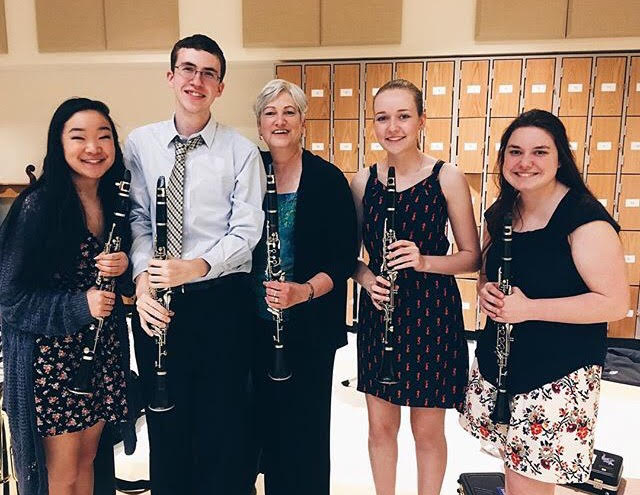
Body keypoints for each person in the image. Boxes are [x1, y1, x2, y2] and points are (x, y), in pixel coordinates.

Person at [459, 109, 629, 495]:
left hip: (556, 373)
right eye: (515, 152)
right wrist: (486, 289)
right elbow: (490, 273)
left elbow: (614, 303)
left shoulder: (585, 219)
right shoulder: (502, 212)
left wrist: (530, 308)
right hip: (501, 365)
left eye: (539, 152)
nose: (525, 162)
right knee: (513, 472)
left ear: (559, 158)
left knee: (528, 485)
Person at [126, 34, 265, 494]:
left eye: (208, 73)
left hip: (220, 301)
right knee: (166, 425)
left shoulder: (240, 150)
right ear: (171, 77)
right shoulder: (140, 143)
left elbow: (247, 232)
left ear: (220, 87)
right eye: (187, 69)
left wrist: (197, 266)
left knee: (221, 426)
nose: (196, 80)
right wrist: (145, 281)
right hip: (157, 302)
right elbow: (138, 219)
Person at [0, 97, 137, 495]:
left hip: (98, 357)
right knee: (60, 475)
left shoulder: (114, 201)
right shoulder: (37, 207)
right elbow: (9, 297)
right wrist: (80, 305)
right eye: (79, 137)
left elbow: (120, 287)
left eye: (103, 137)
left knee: (86, 462)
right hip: (52, 363)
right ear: (58, 145)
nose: (93, 148)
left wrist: (124, 267)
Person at [351, 79, 481, 495]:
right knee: (380, 427)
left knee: (427, 431)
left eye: (403, 116)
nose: (393, 127)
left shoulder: (447, 176)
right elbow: (349, 257)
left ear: (422, 120)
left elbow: (472, 257)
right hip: (380, 310)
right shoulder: (363, 180)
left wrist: (425, 261)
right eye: (383, 117)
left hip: (432, 312)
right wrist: (368, 279)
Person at [249, 79, 358, 494]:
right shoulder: (247, 171)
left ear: (302, 121)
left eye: (289, 111)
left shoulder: (327, 179)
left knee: (304, 432)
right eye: (270, 113)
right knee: (254, 426)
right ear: (259, 125)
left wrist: (303, 291)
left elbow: (343, 256)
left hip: (309, 326)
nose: (280, 121)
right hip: (249, 326)